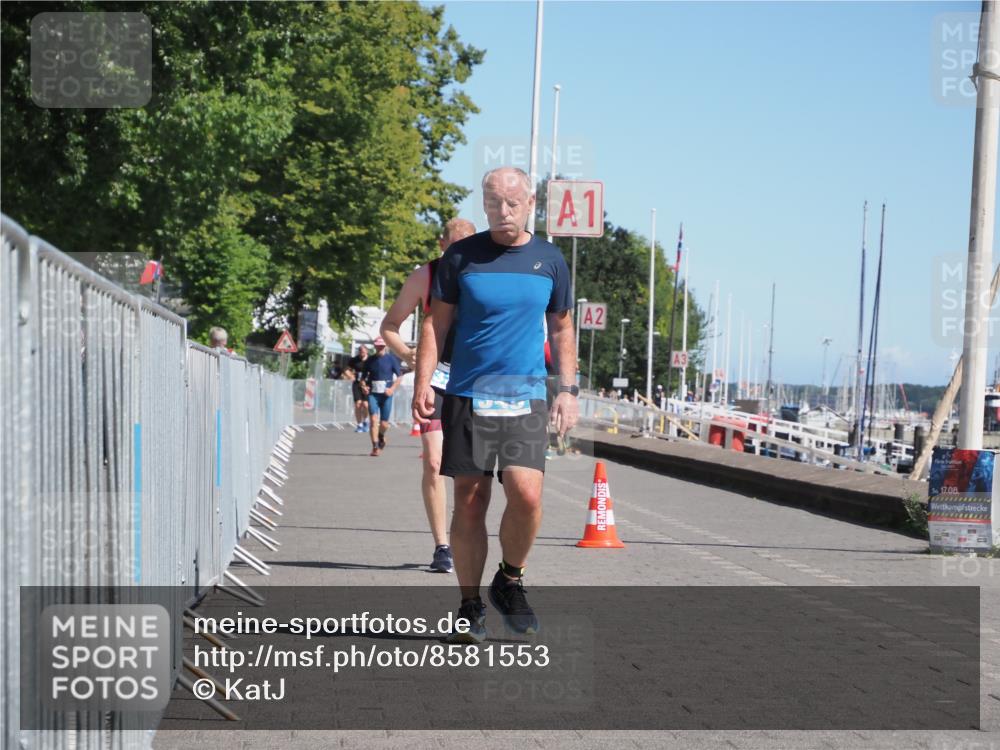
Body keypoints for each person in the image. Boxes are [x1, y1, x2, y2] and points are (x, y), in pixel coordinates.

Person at [414, 166, 578, 642]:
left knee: (526, 495)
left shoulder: (550, 260)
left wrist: (566, 390)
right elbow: (435, 325)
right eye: (492, 204)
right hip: (467, 392)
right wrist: (425, 383)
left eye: (510, 203)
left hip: (524, 395)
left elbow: (563, 328)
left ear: (530, 203)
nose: (501, 212)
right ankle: (469, 605)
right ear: (482, 204)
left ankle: (510, 579)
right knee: (469, 502)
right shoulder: (461, 257)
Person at [380, 217, 477, 574]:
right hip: (437, 376)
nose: (460, 255)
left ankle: (465, 532)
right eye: (454, 247)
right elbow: (389, 326)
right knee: (434, 462)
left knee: (471, 469)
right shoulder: (426, 275)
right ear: (442, 245)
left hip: (473, 379)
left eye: (467, 247)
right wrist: (409, 355)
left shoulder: (487, 273)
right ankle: (443, 545)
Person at [362, 337, 403, 456]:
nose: (380, 348)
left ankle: (381, 436)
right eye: (378, 345)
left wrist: (392, 389)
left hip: (386, 395)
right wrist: (364, 387)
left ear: (386, 346)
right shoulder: (370, 360)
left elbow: (400, 376)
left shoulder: (391, 359)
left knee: (384, 424)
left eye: (382, 346)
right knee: (373, 420)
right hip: (373, 395)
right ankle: (375, 446)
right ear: (374, 346)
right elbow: (362, 379)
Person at [349, 345, 371, 432]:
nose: (362, 353)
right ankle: (359, 424)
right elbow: (346, 369)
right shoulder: (354, 360)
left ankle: (365, 421)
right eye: (360, 351)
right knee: (358, 404)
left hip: (367, 384)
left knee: (365, 404)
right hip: (357, 384)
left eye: (363, 351)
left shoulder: (370, 360)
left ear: (367, 352)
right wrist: (350, 375)